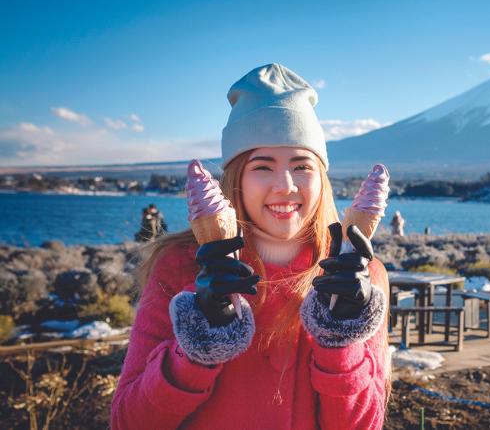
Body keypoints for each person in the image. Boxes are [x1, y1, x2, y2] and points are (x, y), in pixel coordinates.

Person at [112, 64, 390, 429]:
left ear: (322, 179)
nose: (286, 185)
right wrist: (197, 347)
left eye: (302, 165)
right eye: (262, 167)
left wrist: (341, 337)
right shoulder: (181, 266)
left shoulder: (360, 277)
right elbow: (129, 422)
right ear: (236, 177)